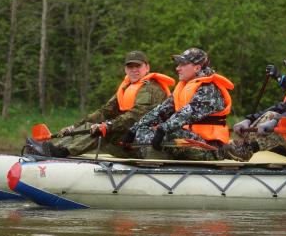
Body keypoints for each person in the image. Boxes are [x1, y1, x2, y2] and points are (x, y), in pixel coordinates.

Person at [25, 50, 175, 158]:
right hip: (131, 139)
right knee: (92, 125)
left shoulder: (151, 88)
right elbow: (104, 112)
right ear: (125, 69)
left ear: (147, 67)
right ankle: (55, 149)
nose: (134, 70)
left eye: (138, 66)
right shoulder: (127, 87)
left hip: (147, 144)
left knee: (102, 131)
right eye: (130, 66)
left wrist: (107, 126)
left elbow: (135, 117)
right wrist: (75, 126)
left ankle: (60, 153)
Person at [121, 48, 234, 160]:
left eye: (182, 64)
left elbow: (188, 113)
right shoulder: (183, 87)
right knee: (143, 130)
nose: (177, 68)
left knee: (170, 132)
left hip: (211, 148)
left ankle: (161, 159)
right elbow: (161, 110)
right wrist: (134, 129)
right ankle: (159, 158)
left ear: (197, 68)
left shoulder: (209, 89)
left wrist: (163, 129)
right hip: (191, 138)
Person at [225, 50, 286, 161]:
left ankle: (249, 149)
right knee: (273, 115)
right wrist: (249, 120)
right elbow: (281, 108)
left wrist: (278, 121)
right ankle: (239, 146)